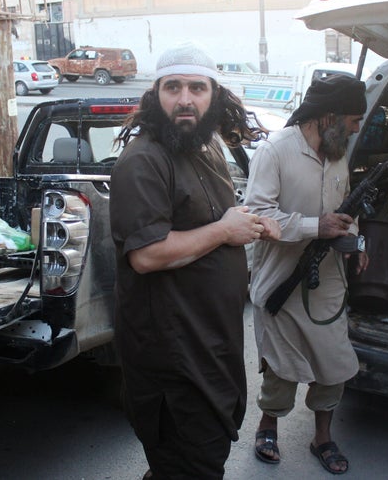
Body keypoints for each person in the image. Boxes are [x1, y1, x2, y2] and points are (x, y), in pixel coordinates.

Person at [109, 41, 280, 480]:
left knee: (185, 464)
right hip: (173, 357)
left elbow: (212, 220)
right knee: (191, 464)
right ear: (155, 95)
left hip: (209, 342)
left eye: (197, 88)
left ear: (214, 95)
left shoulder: (205, 148)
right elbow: (146, 256)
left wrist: (249, 224)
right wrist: (225, 231)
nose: (185, 99)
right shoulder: (143, 160)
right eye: (173, 87)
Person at [244, 74, 370, 475]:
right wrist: (317, 227)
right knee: (281, 366)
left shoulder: (337, 154)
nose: (356, 129)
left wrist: (356, 243)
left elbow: (346, 212)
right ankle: (268, 426)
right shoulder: (275, 151)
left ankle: (322, 437)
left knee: (333, 362)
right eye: (353, 120)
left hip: (328, 280)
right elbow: (259, 216)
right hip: (282, 277)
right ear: (328, 116)